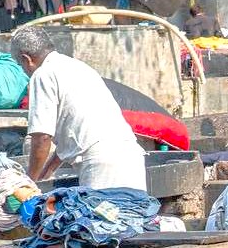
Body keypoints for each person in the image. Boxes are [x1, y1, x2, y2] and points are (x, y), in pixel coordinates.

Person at [11, 26, 147, 191]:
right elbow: (76, 130)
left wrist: (29, 184)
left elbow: (42, 138)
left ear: (27, 59)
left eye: (21, 65)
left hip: (101, 164)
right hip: (131, 156)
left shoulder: (42, 75)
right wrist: (48, 171)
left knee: (100, 215)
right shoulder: (77, 67)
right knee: (133, 214)